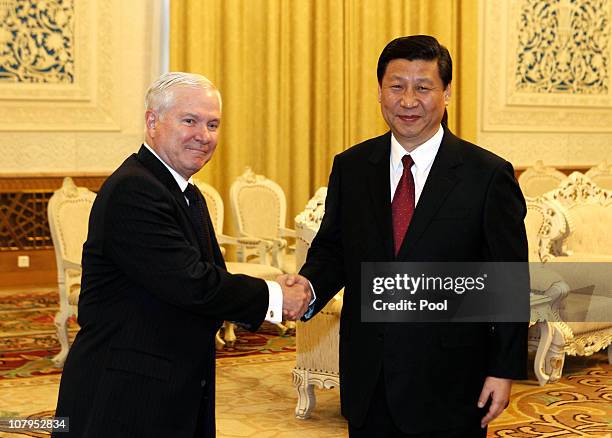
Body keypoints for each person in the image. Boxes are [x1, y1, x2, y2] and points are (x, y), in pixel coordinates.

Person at [282, 35, 528, 437]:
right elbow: (334, 250)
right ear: (380, 91)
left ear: (446, 92)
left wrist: (502, 369)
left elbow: (509, 282)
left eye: (423, 87)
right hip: (369, 373)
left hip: (450, 380)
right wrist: (308, 286)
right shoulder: (352, 167)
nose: (408, 101)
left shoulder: (487, 176)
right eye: (397, 86)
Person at [52, 72, 311, 438]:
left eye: (213, 124)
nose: (203, 136)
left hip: (169, 384)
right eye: (189, 121)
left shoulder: (184, 191)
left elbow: (209, 276)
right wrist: (276, 297)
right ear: (152, 122)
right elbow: (193, 284)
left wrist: (271, 289)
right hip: (126, 395)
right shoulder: (135, 190)